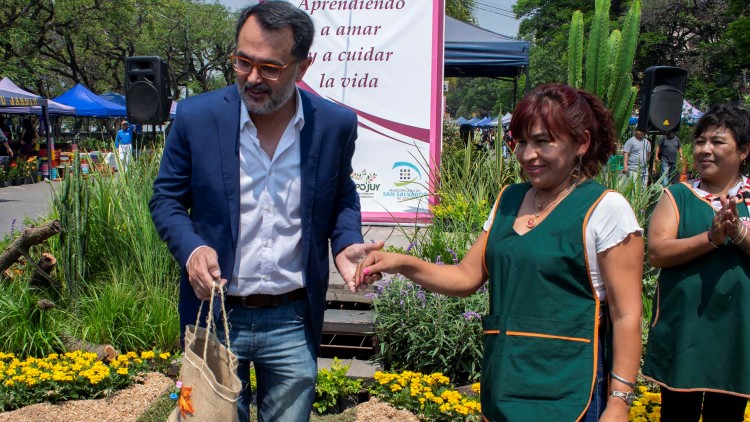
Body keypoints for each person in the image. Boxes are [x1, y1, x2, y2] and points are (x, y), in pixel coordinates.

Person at [355, 83, 644, 421]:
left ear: (581, 142)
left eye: (542, 141)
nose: (528, 155)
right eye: (521, 142)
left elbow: (626, 315)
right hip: (505, 383)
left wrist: (619, 403)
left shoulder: (606, 209)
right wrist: (400, 262)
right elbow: (465, 277)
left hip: (567, 388)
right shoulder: (509, 200)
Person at [149, 2, 382, 421]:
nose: (253, 78)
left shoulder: (334, 124)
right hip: (216, 317)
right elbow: (166, 199)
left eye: (270, 68)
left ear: (302, 67)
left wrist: (345, 243)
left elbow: (342, 193)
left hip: (292, 318)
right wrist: (192, 249)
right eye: (243, 61)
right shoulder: (196, 118)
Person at [643, 104, 750, 422]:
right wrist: (711, 238)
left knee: (727, 412)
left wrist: (739, 232)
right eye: (700, 141)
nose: (705, 150)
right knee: (677, 412)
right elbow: (657, 252)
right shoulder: (677, 195)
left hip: (738, 329)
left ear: (743, 151)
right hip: (686, 328)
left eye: (718, 142)